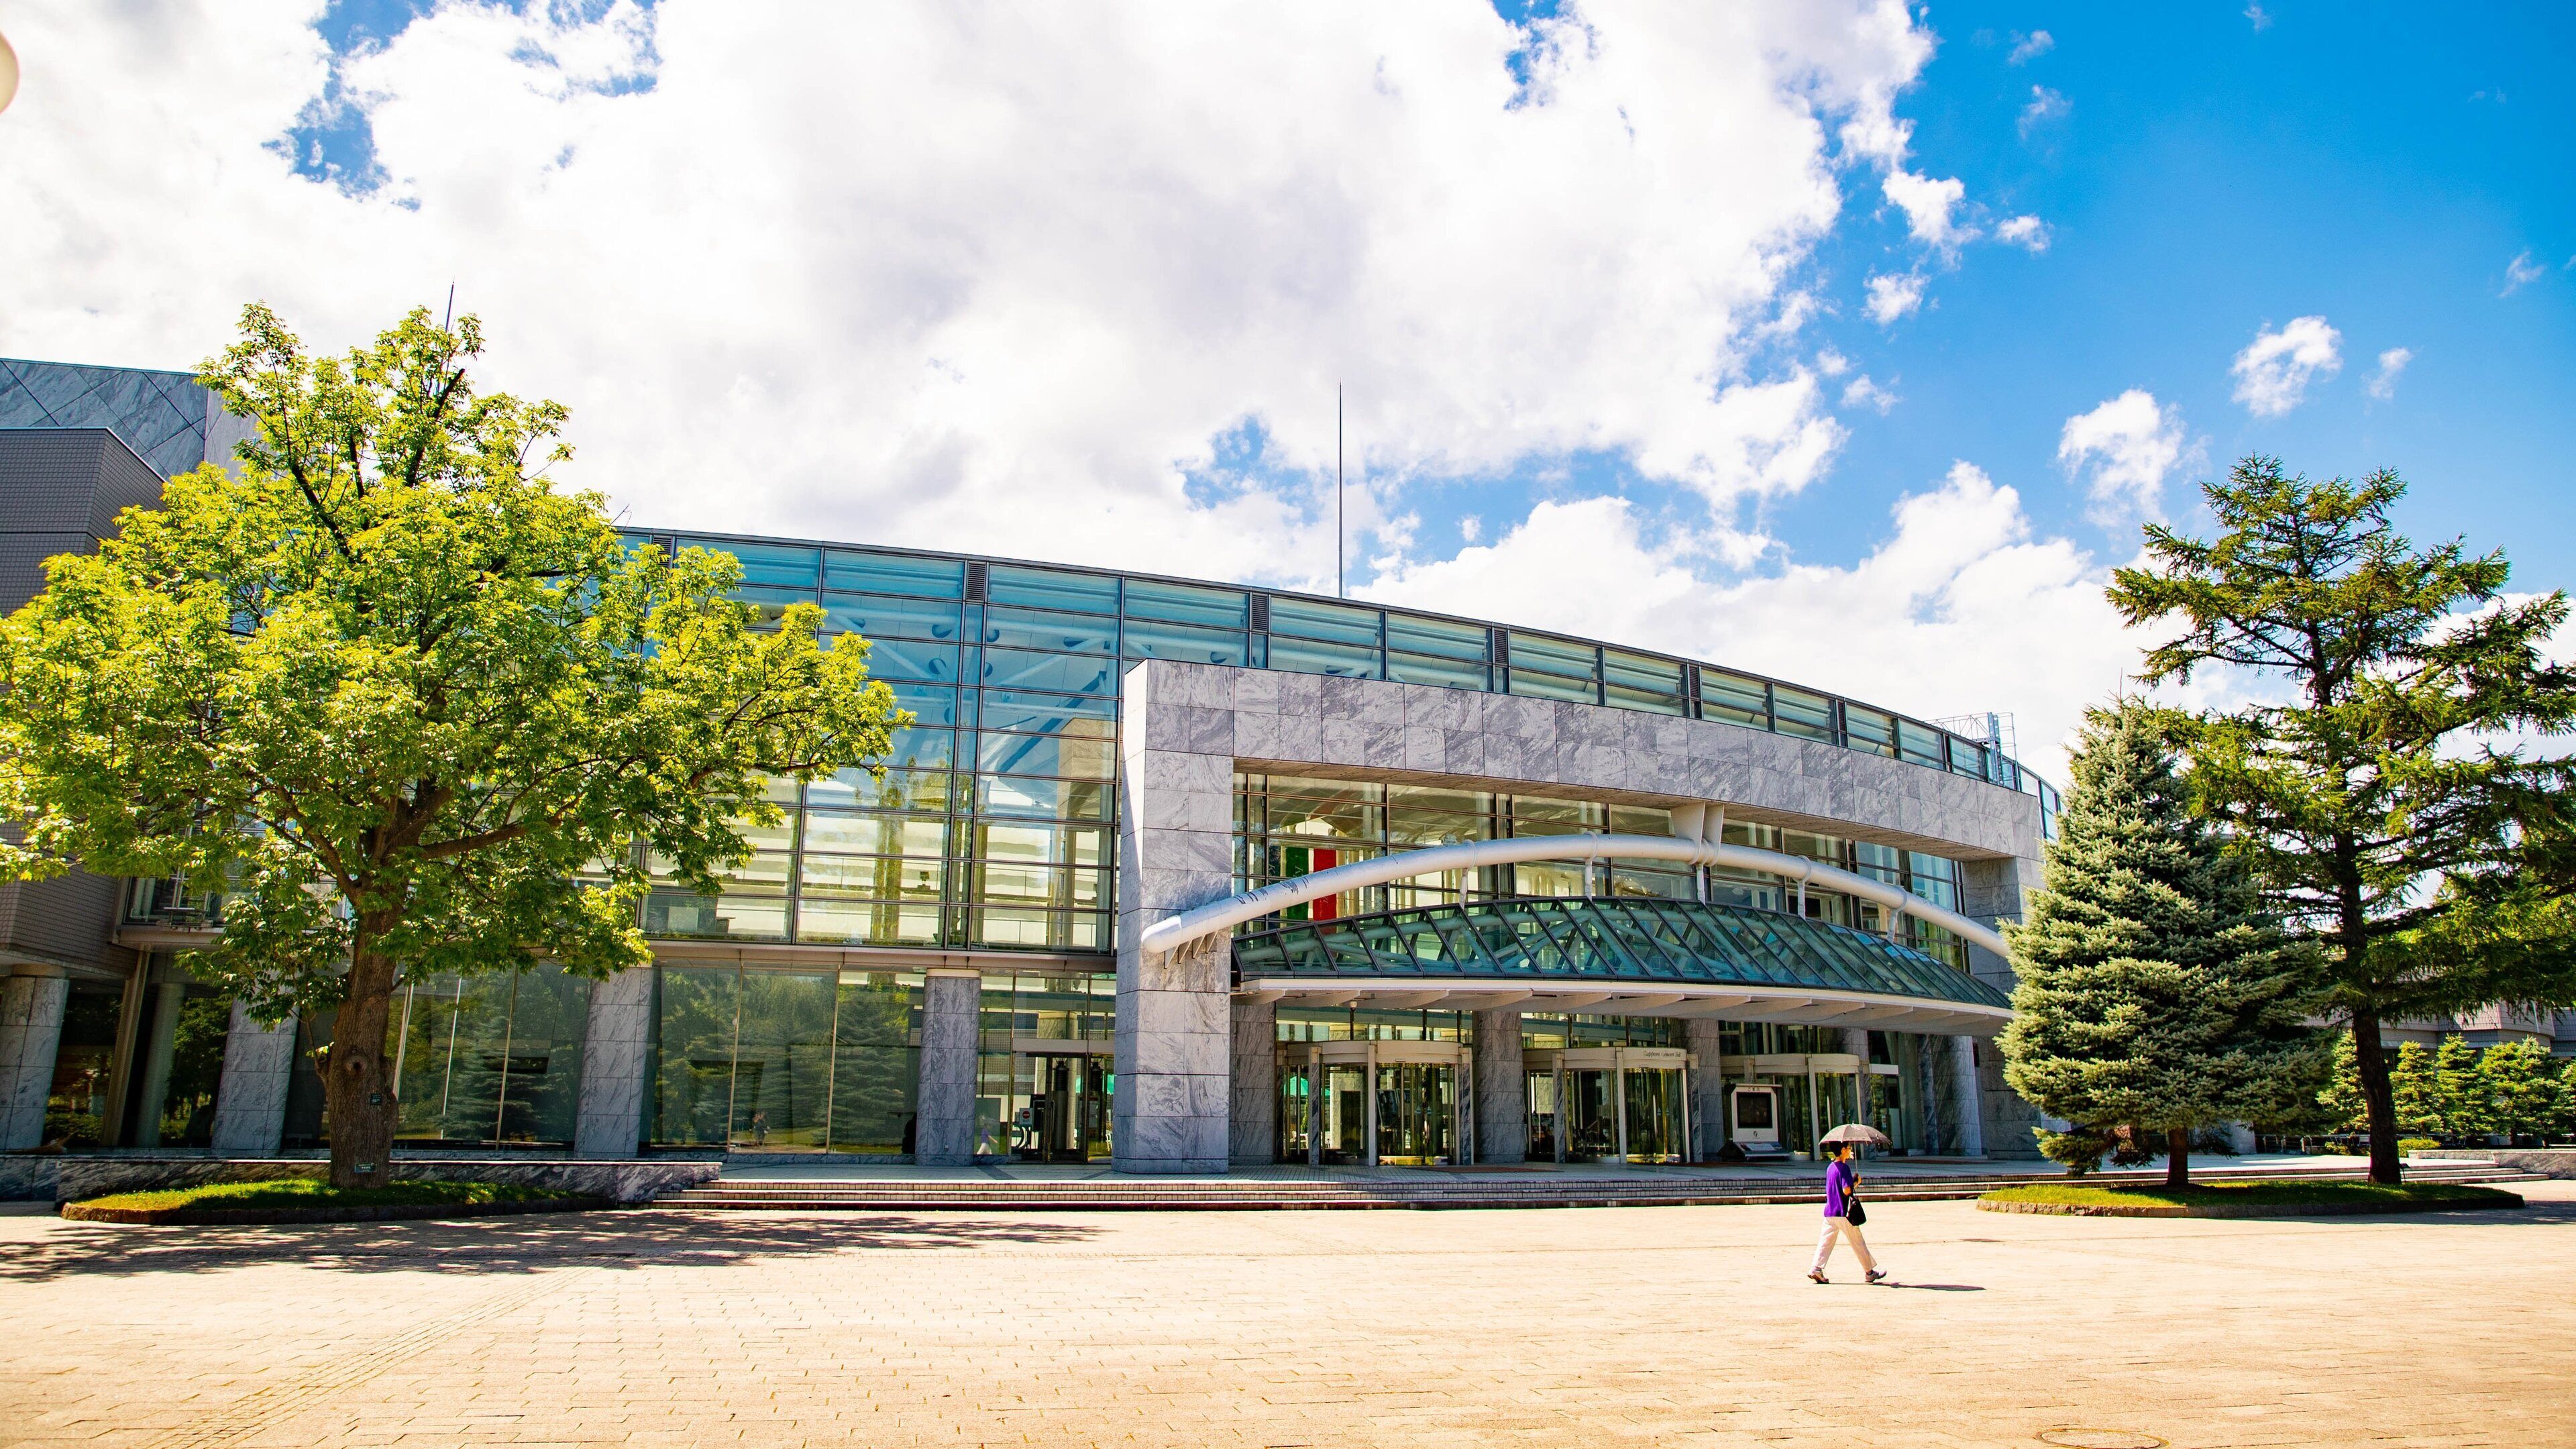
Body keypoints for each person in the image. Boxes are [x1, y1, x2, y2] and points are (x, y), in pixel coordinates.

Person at [1809, 1142, 1886, 1284]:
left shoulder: (1830, 1168)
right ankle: (1869, 1272)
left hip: (1829, 1212)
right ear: (1843, 1150)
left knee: (1825, 1242)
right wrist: (1855, 1182)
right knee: (1858, 1241)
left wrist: (1852, 1182)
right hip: (1843, 1212)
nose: (1850, 1151)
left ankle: (1816, 1268)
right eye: (1849, 1148)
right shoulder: (1844, 1168)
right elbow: (1846, 1190)